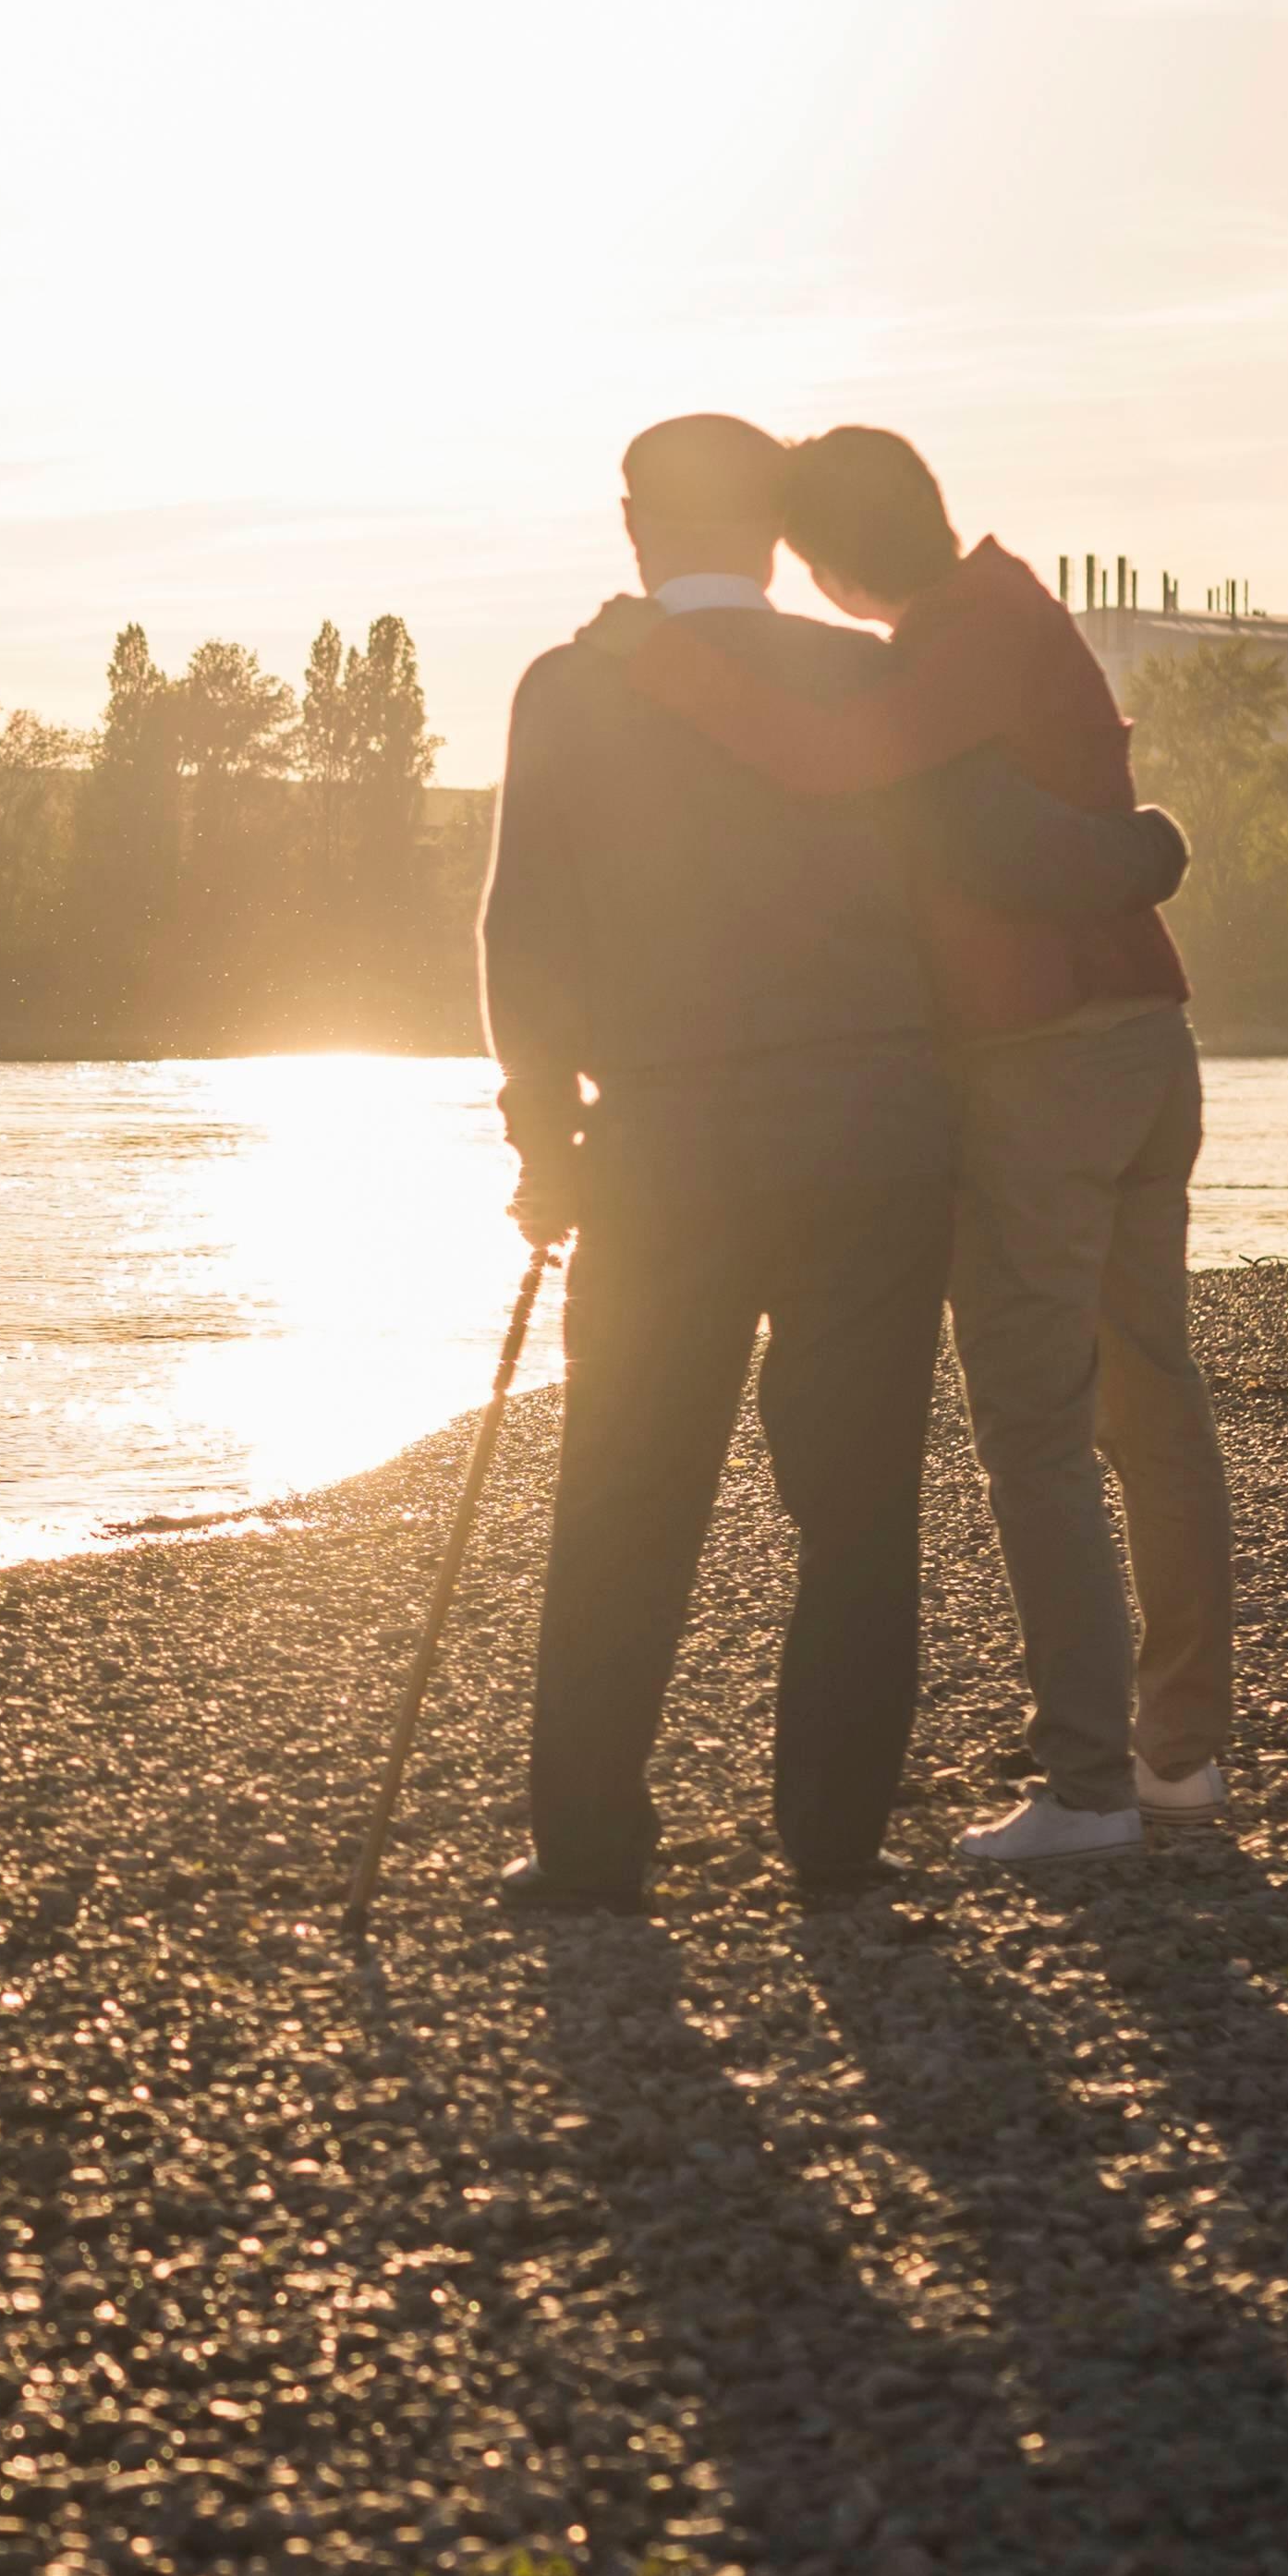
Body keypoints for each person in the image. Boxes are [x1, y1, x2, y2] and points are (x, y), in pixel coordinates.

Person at [603, 425, 1235, 1867]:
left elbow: (834, 760)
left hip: (1044, 1058)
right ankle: (1179, 1754)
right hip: (1143, 1044)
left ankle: (1089, 1786)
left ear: (825, 565)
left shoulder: (956, 639)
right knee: (1149, 1400)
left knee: (1036, 1425)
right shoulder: (1014, 608)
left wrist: (668, 660)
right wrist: (1149, 846)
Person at [474, 413, 965, 1917]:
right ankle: (832, 1842)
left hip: (667, 1136)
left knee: (625, 1489)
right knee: (859, 1500)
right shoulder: (863, 675)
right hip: (873, 1124)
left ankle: (589, 1844)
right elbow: (947, 896)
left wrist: (540, 1131)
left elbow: (521, 930)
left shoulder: (570, 687)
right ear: (772, 533)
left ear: (633, 525)